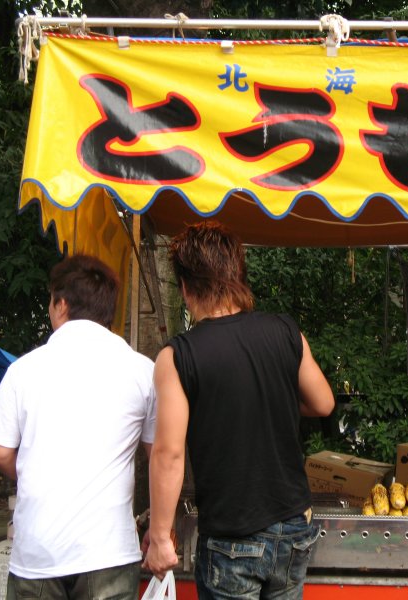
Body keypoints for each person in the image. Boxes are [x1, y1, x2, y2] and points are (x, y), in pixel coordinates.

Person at [144, 221, 335, 599]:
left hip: (233, 537)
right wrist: (271, 395)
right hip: (294, 529)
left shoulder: (178, 356)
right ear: (238, 275)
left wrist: (161, 537)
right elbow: (323, 402)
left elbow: (168, 452)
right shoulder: (286, 332)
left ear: (185, 287)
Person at [0, 254, 157, 599]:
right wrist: (162, 529)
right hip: (108, 551)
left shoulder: (24, 370)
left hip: (37, 552)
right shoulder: (141, 370)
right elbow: (161, 455)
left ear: (61, 305)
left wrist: (30, 475)